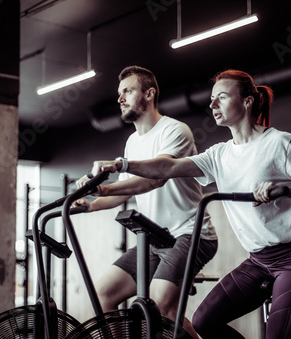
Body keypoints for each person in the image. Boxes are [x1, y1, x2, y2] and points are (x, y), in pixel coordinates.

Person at [97, 69, 291, 339]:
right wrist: (124, 164)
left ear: (247, 101)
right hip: (258, 261)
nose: (212, 105)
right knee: (204, 322)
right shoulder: (220, 154)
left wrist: (287, 191)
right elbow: (167, 167)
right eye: (212, 99)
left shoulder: (280, 143)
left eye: (221, 98)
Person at [73, 66, 217, 338]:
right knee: (103, 292)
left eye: (127, 91)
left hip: (189, 233)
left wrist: (107, 182)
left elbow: (156, 177)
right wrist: (91, 204)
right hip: (155, 237)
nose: (120, 98)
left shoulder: (174, 130)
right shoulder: (132, 142)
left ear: (149, 94)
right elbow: (127, 192)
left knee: (160, 306)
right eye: (119, 93)